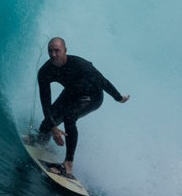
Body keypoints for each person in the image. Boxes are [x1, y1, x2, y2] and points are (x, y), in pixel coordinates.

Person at [35, 37, 128, 179]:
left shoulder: (80, 65)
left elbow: (103, 81)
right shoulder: (45, 71)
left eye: (57, 50)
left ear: (65, 51)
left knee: (69, 117)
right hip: (71, 93)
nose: (53, 54)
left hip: (92, 96)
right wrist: (53, 128)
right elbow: (45, 101)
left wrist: (118, 98)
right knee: (46, 125)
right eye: (50, 51)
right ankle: (43, 140)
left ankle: (68, 165)